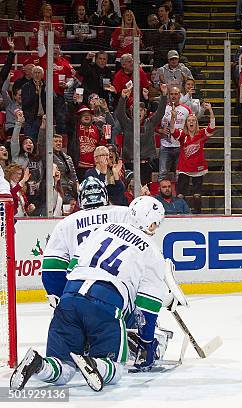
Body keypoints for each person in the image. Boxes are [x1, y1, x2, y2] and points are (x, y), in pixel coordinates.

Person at [11, 196, 167, 391]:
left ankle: (39, 364)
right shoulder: (152, 251)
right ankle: (95, 364)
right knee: (115, 369)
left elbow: (73, 265)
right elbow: (147, 307)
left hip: (70, 297)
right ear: (153, 224)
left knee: (64, 369)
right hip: (106, 302)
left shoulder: (103, 229)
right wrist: (146, 343)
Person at [40, 177, 131, 306]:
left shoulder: (67, 223)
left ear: (81, 198)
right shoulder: (123, 214)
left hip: (79, 287)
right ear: (104, 194)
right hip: (116, 287)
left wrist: (59, 296)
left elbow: (52, 266)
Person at [115, 85, 168, 186]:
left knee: (144, 190)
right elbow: (119, 114)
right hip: (129, 163)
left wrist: (164, 95)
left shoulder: (150, 123)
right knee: (129, 189)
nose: (138, 112)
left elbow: (160, 112)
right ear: (131, 112)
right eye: (135, 110)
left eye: (141, 110)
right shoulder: (127, 123)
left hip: (145, 165)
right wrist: (123, 97)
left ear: (145, 112)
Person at [173, 108, 215, 200]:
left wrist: (210, 111)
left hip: (198, 166)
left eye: (193, 121)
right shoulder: (183, 135)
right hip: (184, 167)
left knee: (197, 195)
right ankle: (180, 212)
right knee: (180, 194)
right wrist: (173, 117)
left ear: (196, 123)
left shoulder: (201, 134)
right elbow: (172, 131)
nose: (191, 122)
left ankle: (198, 212)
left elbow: (212, 127)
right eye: (189, 120)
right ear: (186, 123)